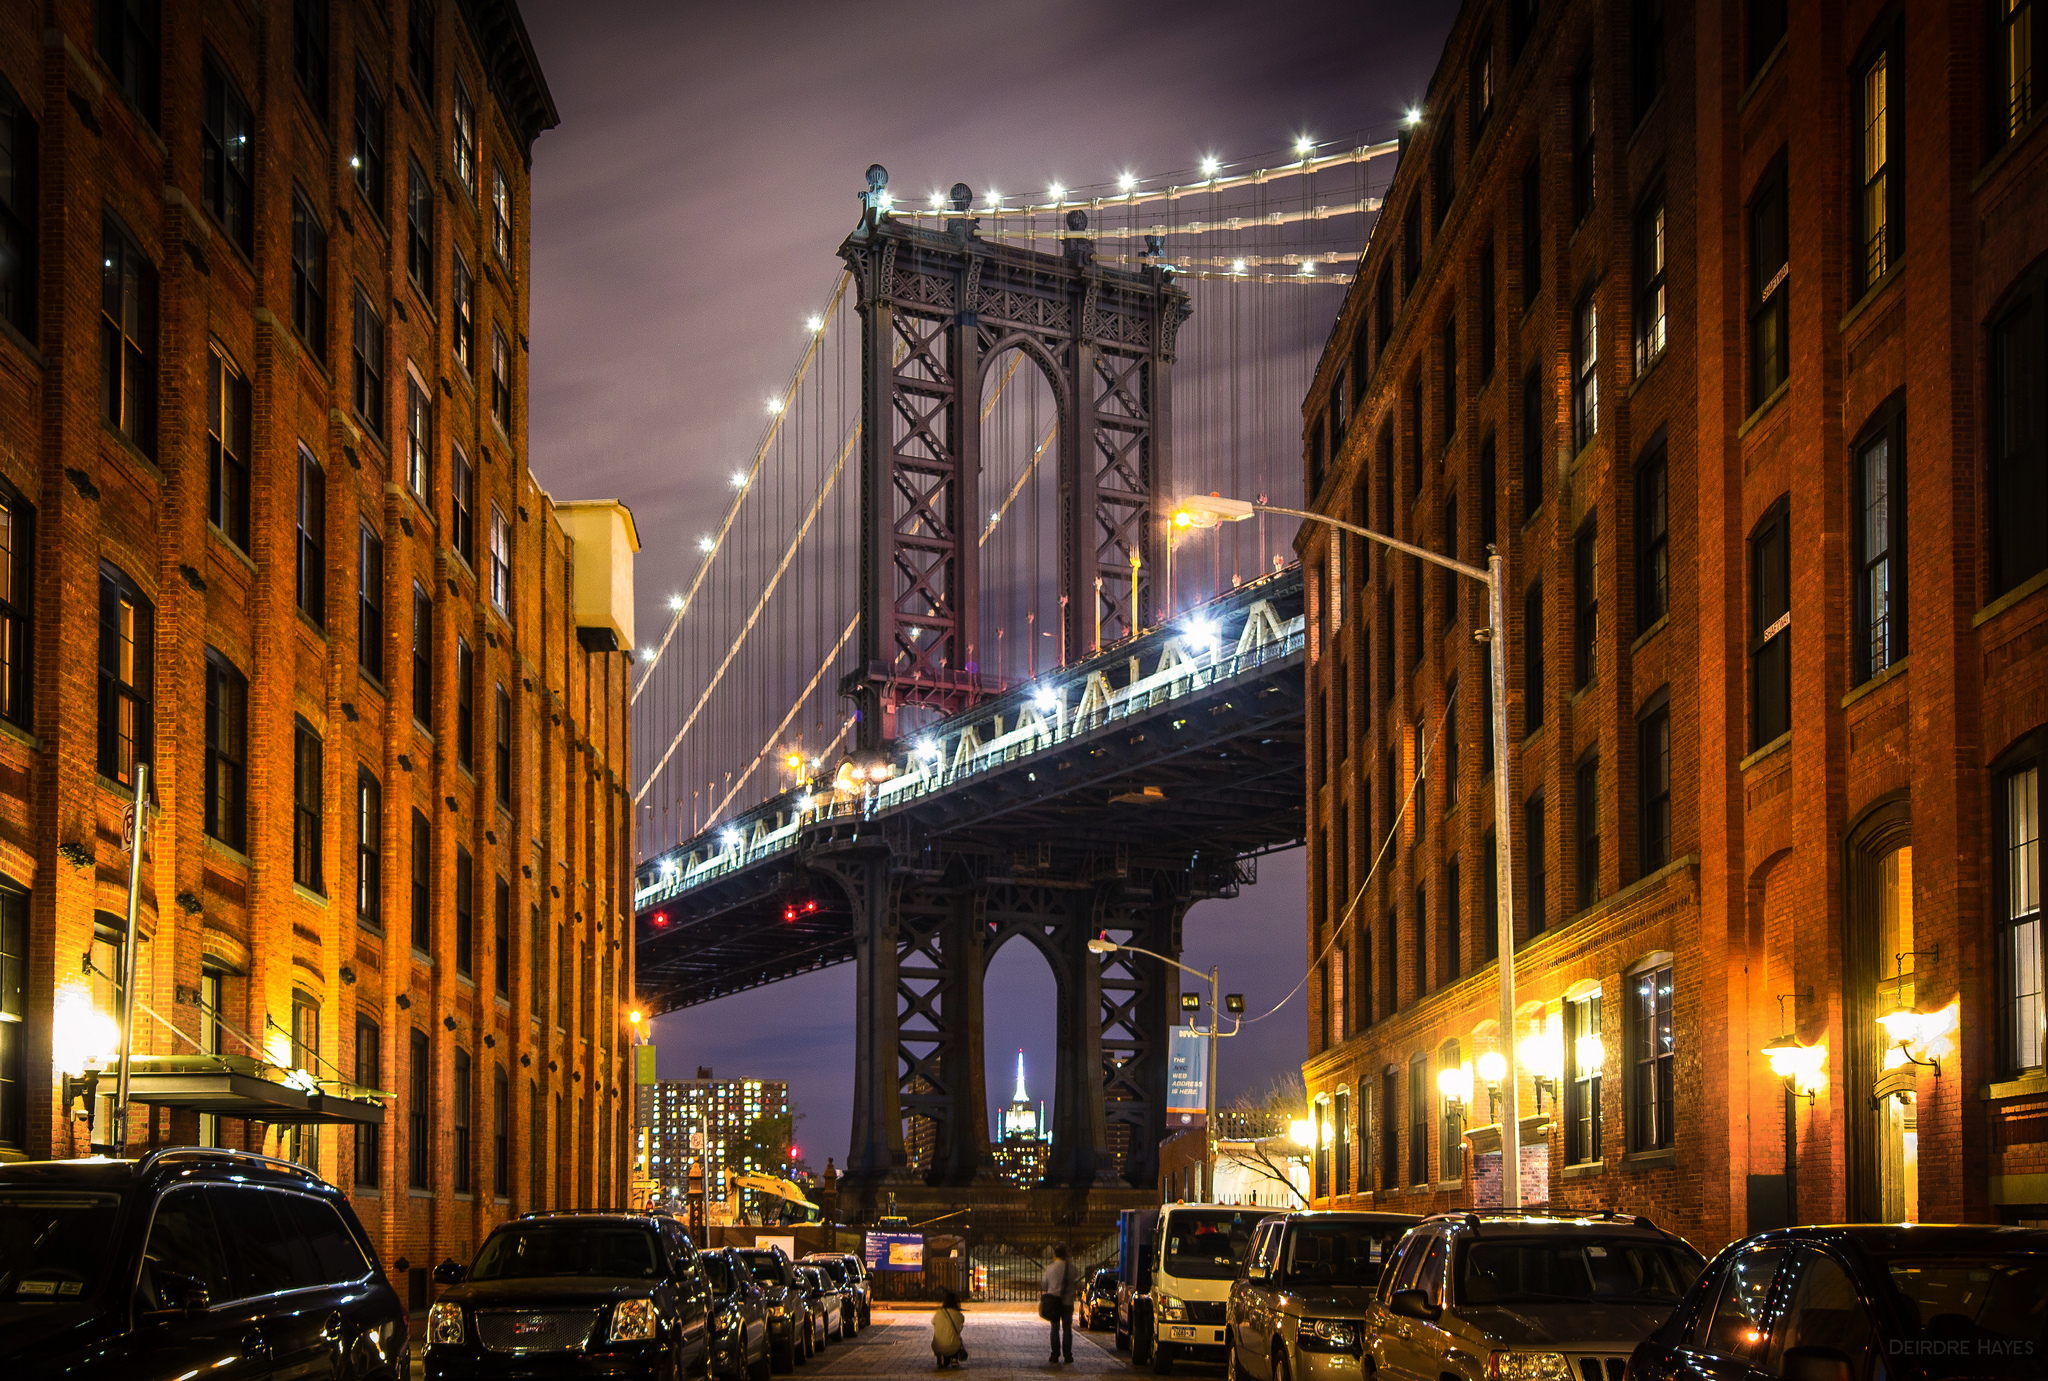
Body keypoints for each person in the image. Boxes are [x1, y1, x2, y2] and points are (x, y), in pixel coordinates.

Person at [1043, 1242, 1078, 1364]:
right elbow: (1075, 1282)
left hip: (1054, 1302)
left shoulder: (1049, 1269)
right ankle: (1068, 1355)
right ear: (1066, 1255)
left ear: (1054, 1255)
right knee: (1067, 1329)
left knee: (1054, 1328)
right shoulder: (1072, 1268)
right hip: (1068, 1302)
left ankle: (1055, 1354)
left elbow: (1044, 1285)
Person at [932, 1290, 967, 1369]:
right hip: (953, 1346)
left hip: (937, 1346)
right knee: (956, 1337)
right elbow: (960, 1325)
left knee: (941, 1337)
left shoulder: (939, 1313)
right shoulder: (958, 1315)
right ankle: (954, 1359)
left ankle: (940, 1357)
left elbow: (933, 1322)